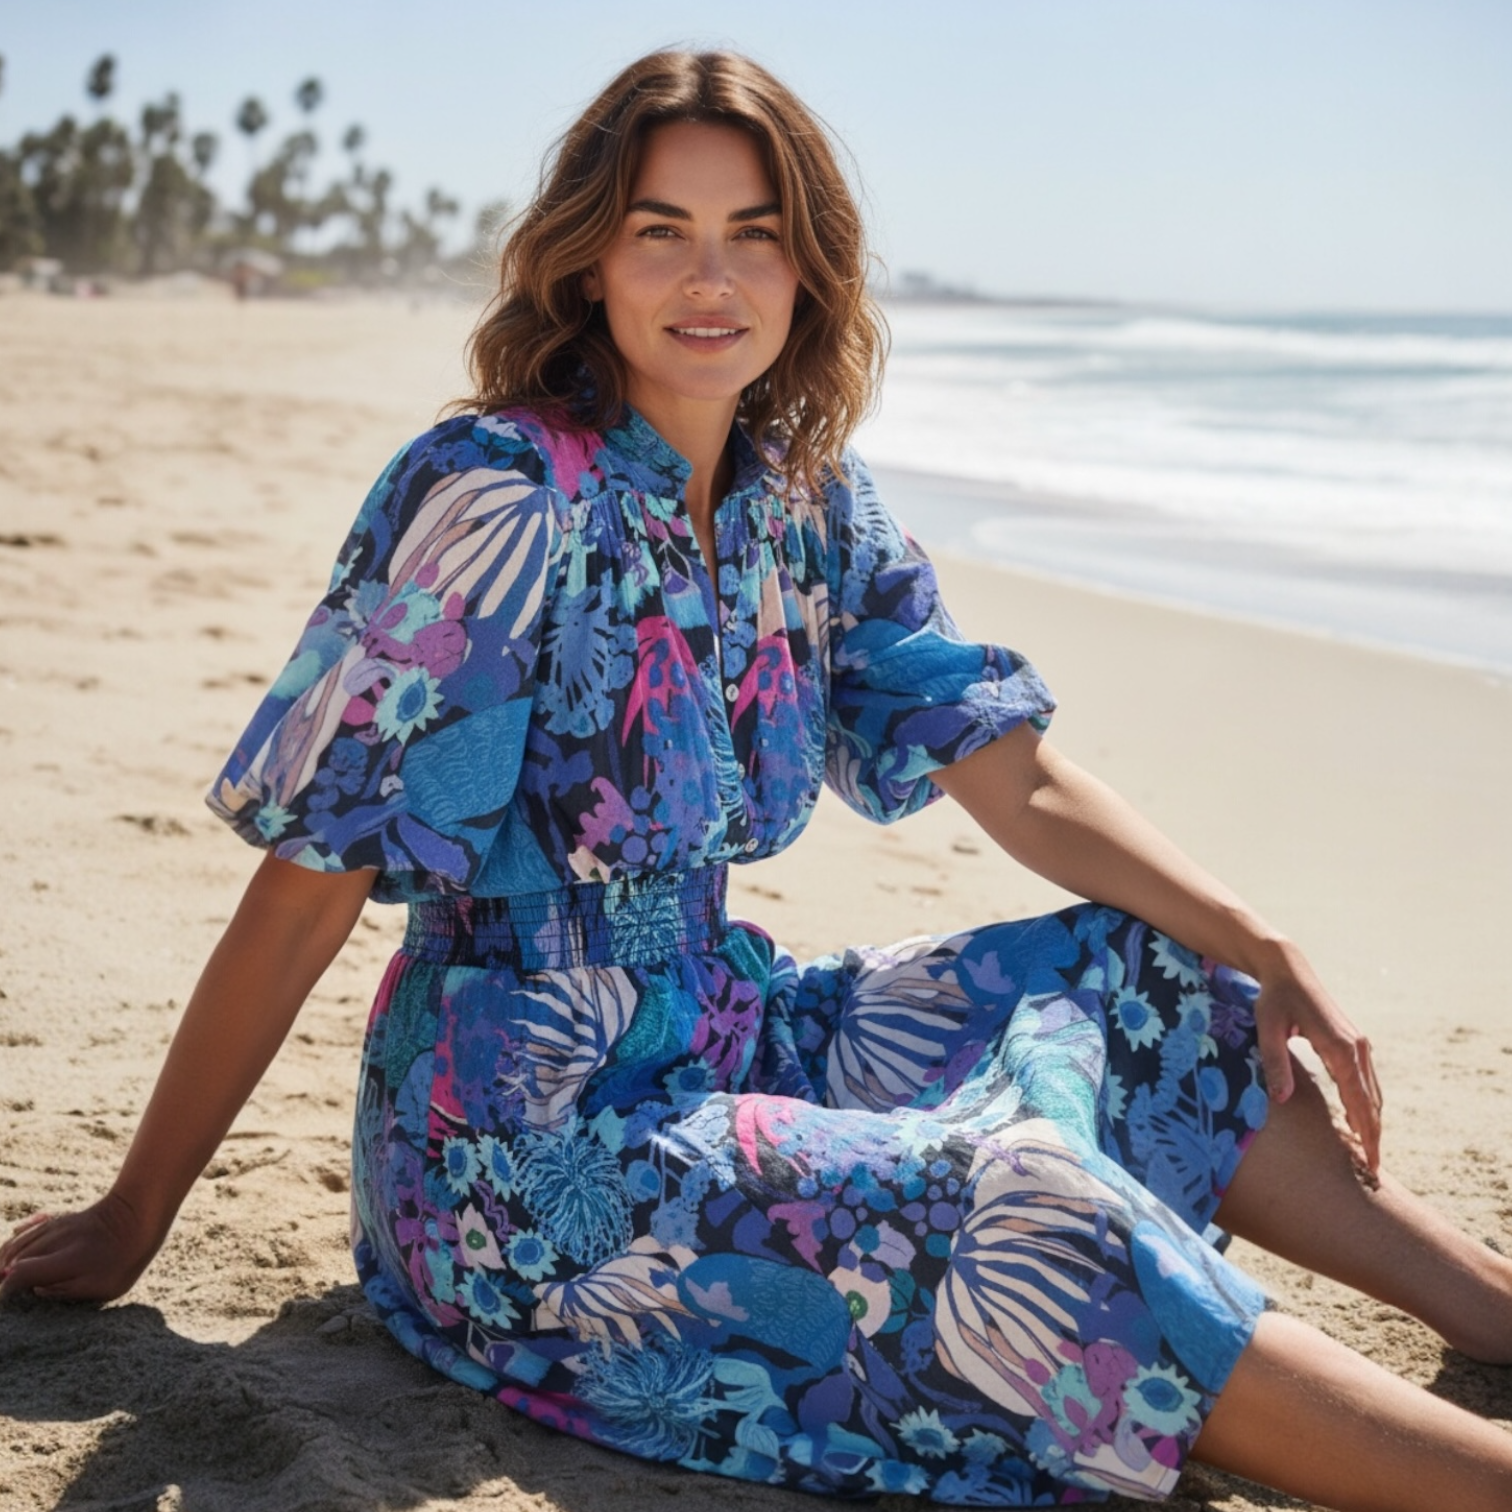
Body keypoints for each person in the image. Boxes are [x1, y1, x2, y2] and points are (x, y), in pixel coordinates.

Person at [2, 49, 1508, 1511]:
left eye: (755, 236)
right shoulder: (498, 496)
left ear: (809, 272)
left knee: (1165, 981)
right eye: (663, 233)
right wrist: (139, 1212)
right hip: (524, 1162)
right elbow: (305, 894)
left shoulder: (805, 497)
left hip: (733, 1032)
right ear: (590, 261)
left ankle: (1492, 1311)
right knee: (1021, 1219)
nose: (709, 279)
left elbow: (1008, 769)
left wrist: (1259, 942)